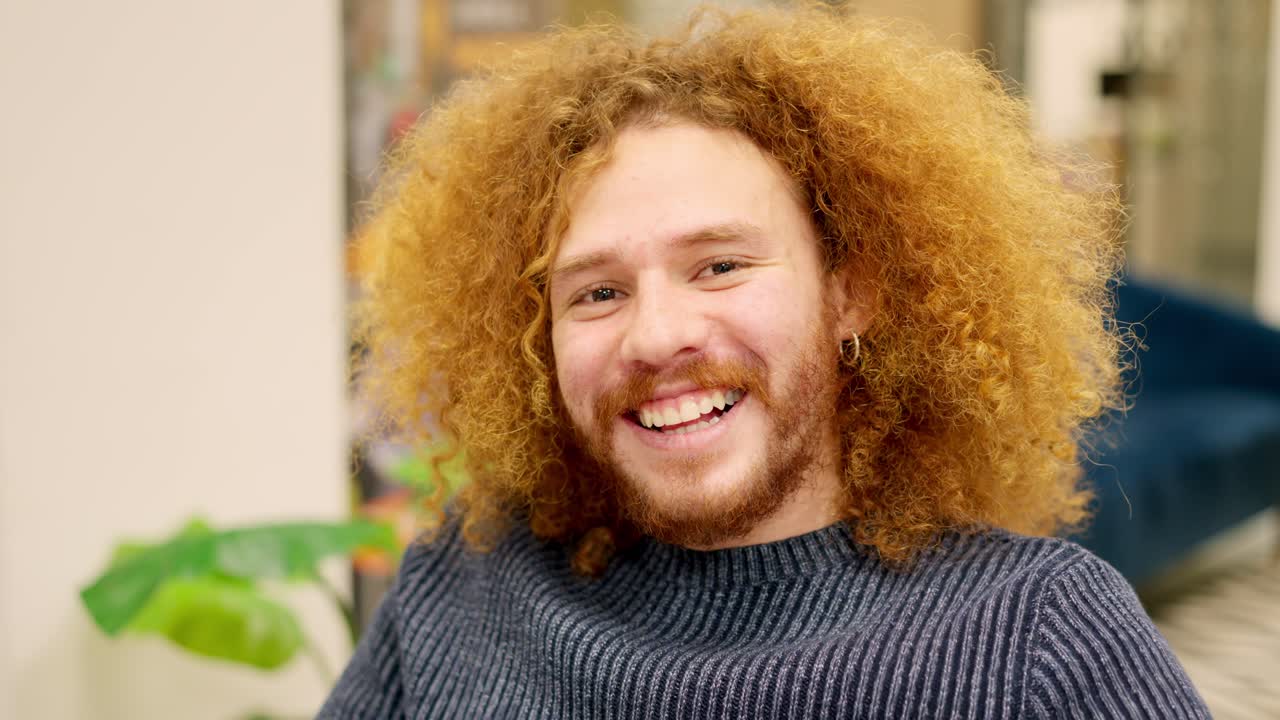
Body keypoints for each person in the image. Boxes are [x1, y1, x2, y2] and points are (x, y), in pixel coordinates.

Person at [321, 6, 1209, 718]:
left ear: (849, 295)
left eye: (720, 266)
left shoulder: (1037, 639)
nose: (657, 336)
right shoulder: (466, 582)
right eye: (596, 292)